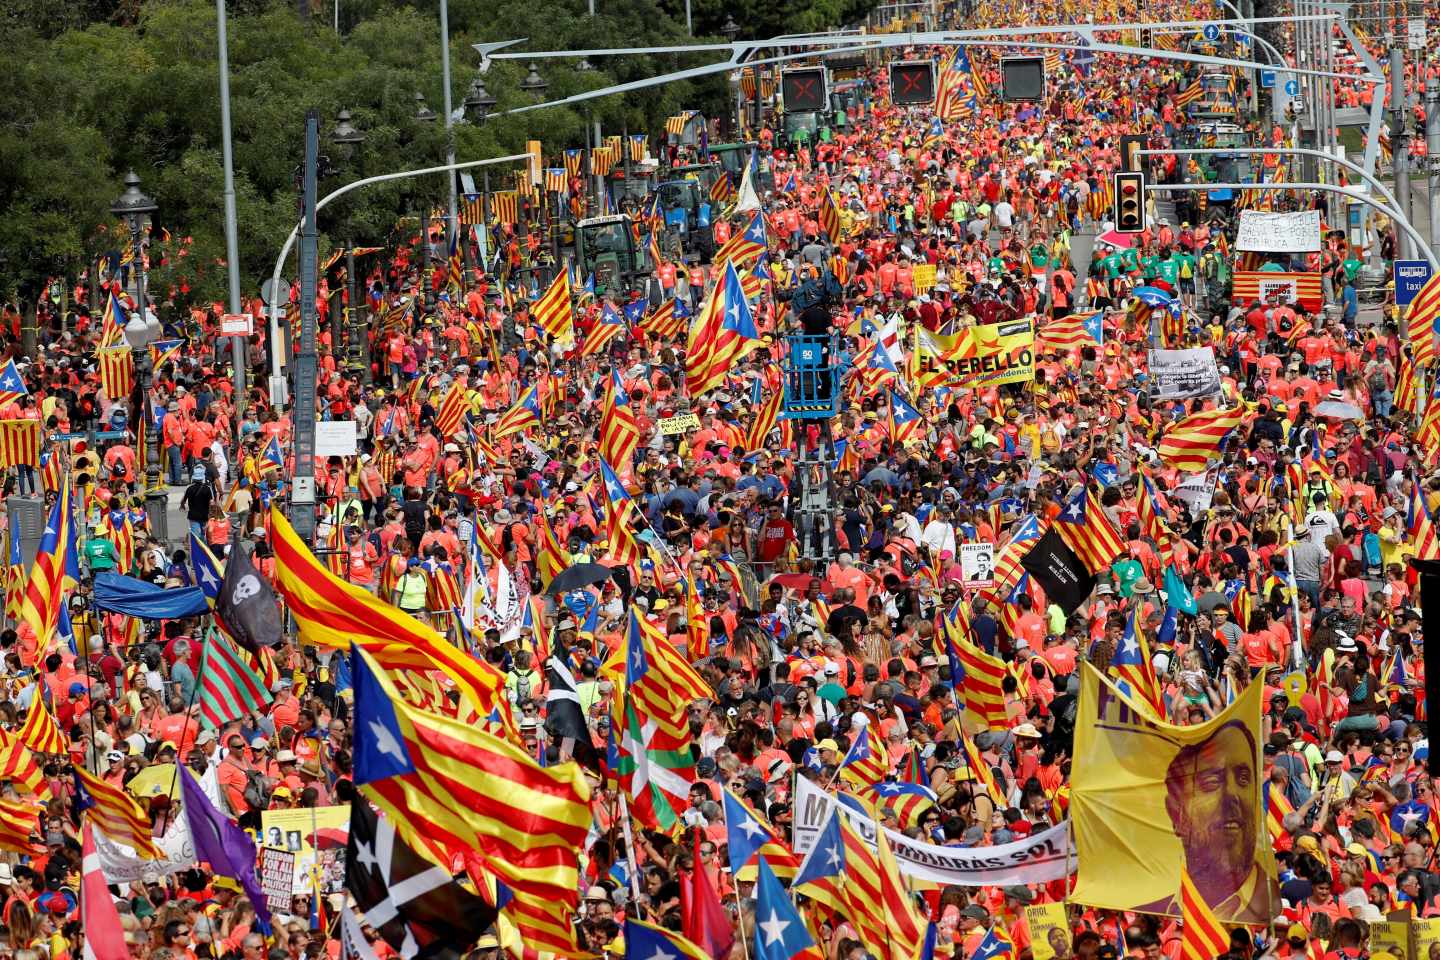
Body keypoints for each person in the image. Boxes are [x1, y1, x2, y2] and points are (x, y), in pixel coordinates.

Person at [1137, 720, 1271, 923]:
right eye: (1211, 782)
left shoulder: (1273, 912)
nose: (1232, 794)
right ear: (1176, 813)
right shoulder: (1154, 914)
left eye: (1244, 779)